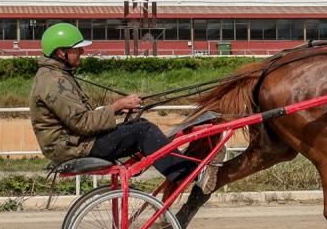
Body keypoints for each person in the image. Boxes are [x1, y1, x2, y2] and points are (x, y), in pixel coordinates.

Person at [29, 22, 207, 192]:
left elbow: (80, 118)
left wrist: (117, 109)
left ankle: (183, 171)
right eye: (77, 48)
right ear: (61, 53)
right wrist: (116, 106)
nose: (82, 51)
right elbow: (82, 123)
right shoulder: (54, 82)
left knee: (140, 125)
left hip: (73, 143)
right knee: (143, 131)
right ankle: (187, 174)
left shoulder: (55, 75)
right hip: (74, 147)